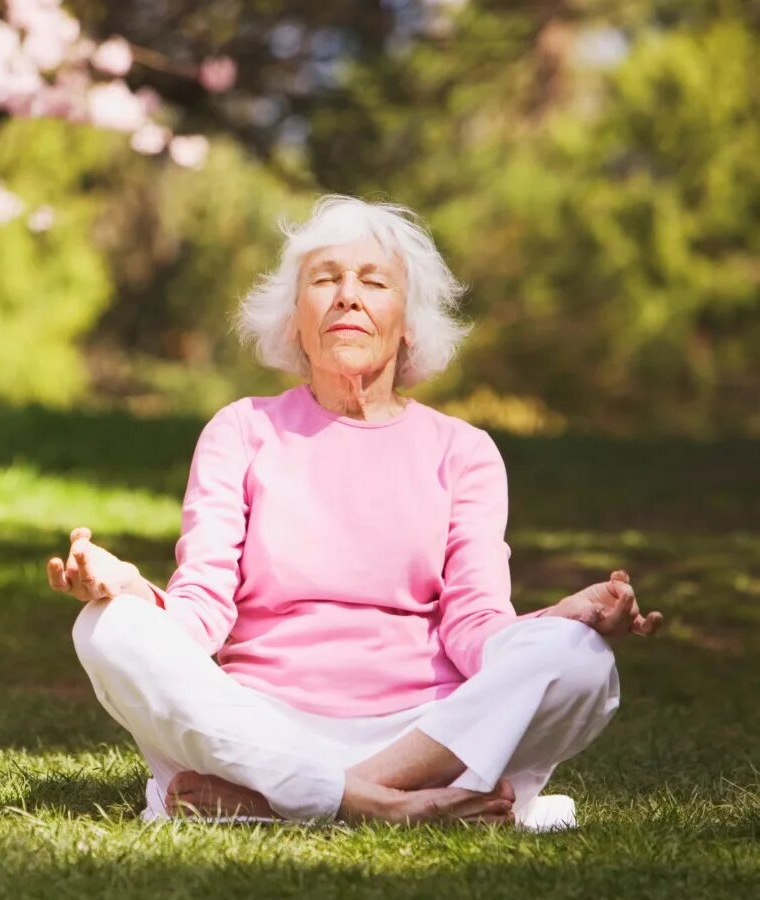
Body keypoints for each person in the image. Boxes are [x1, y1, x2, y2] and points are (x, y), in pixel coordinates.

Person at [45, 195, 663, 828]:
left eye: (372, 281)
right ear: (294, 321)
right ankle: (386, 808)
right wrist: (127, 589)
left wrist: (560, 618)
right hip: (261, 731)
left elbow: (476, 625)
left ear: (409, 322)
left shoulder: (465, 452)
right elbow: (201, 608)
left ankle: (288, 804)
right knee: (105, 628)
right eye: (324, 280)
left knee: (581, 658)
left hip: (426, 738)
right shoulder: (241, 430)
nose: (347, 296)